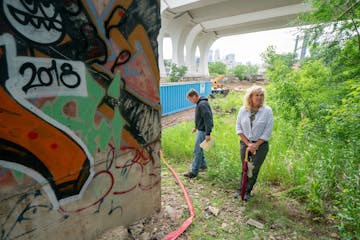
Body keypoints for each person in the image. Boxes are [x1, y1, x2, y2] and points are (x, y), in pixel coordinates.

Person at [234, 85, 273, 201]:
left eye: (261, 95)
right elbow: (238, 128)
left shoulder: (267, 111)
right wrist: (248, 143)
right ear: (250, 97)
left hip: (260, 146)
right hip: (245, 144)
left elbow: (268, 130)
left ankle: (247, 191)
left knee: (254, 168)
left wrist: (256, 144)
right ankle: (241, 189)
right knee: (245, 167)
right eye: (256, 95)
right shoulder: (243, 110)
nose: (259, 97)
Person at [184, 88, 214, 178]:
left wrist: (208, 133)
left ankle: (194, 172)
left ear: (194, 96)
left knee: (197, 151)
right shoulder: (199, 103)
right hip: (201, 130)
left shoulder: (202, 104)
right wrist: (196, 127)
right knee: (200, 149)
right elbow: (200, 118)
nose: (190, 101)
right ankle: (203, 165)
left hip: (204, 131)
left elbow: (208, 119)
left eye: (190, 99)